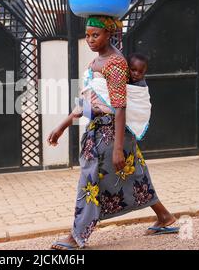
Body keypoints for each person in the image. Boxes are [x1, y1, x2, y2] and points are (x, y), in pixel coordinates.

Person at [48, 15, 178, 250]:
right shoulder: (98, 61)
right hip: (103, 130)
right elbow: (88, 100)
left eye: (95, 35)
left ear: (109, 34)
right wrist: (62, 126)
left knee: (89, 181)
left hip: (110, 133)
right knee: (135, 175)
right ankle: (165, 217)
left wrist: (117, 148)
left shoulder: (115, 64)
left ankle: (77, 235)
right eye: (87, 35)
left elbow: (119, 107)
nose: (89, 40)